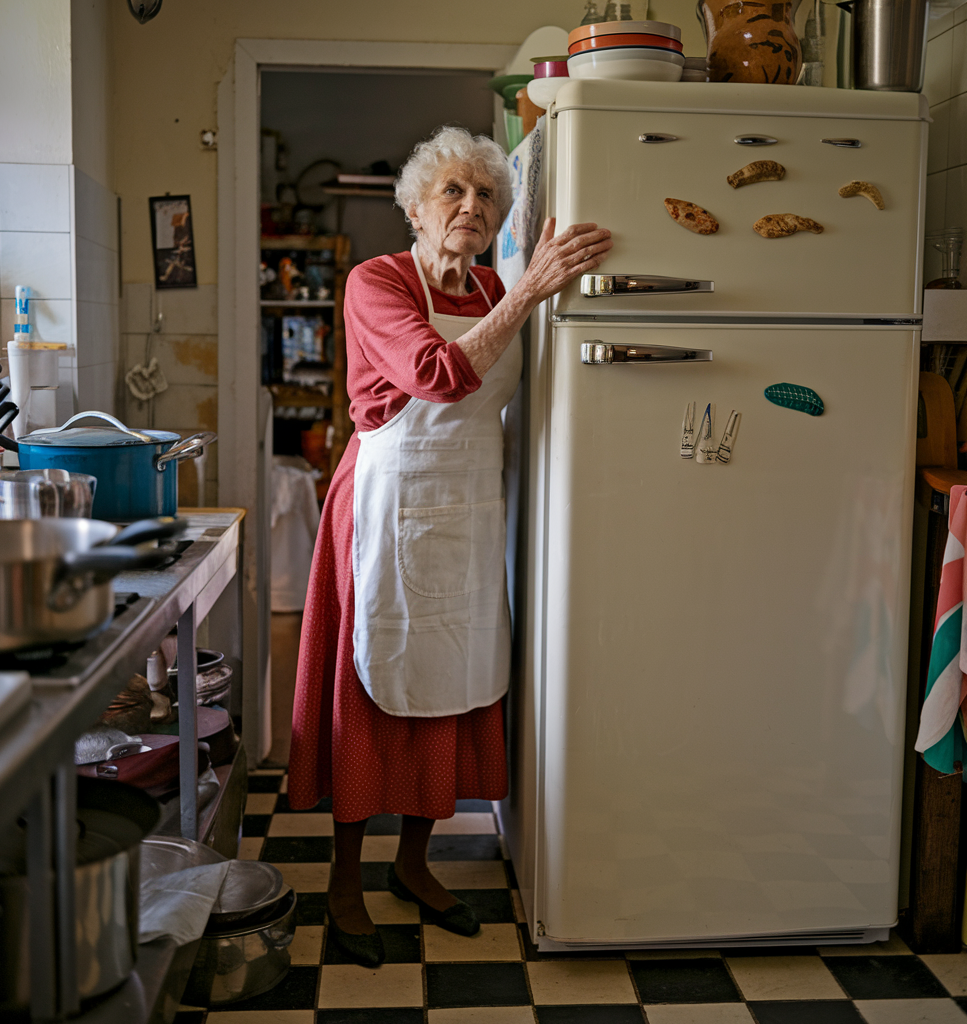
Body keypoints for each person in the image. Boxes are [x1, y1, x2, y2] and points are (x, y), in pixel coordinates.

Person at [289, 125, 612, 966]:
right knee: (373, 683)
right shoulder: (376, 282)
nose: (473, 208)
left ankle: (414, 866)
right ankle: (345, 882)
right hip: (386, 511)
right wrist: (530, 291)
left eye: (487, 197)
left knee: (456, 681)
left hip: (469, 510)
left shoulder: (496, 286)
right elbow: (433, 375)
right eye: (453, 193)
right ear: (416, 210)